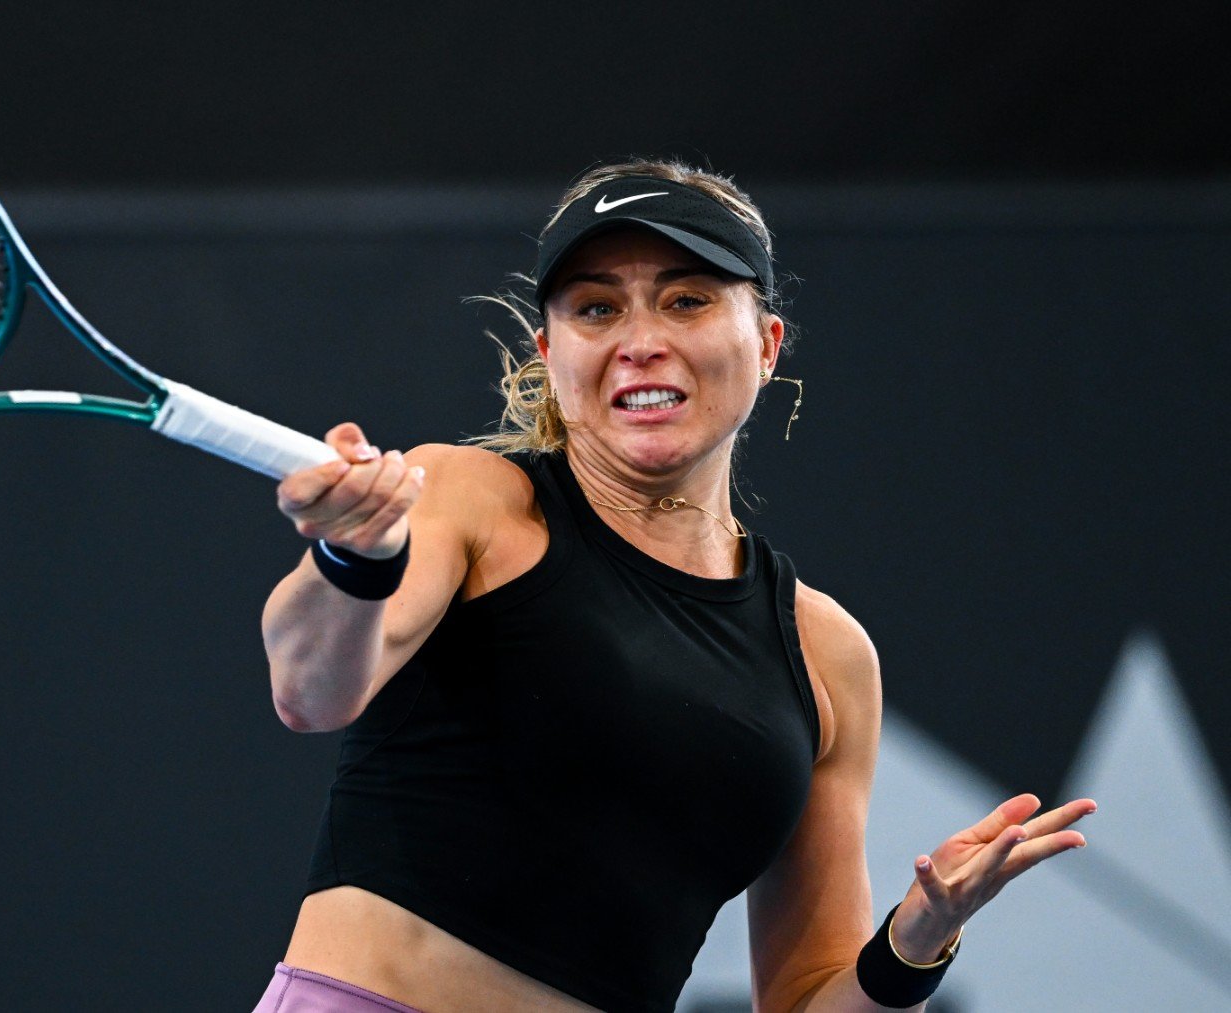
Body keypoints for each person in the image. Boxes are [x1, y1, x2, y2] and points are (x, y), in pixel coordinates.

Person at [252, 160, 1097, 1013]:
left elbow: (807, 999)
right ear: (551, 354)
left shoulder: (827, 653)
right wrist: (352, 561)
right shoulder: (469, 497)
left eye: (686, 299)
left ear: (766, 343)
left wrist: (915, 938)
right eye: (596, 308)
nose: (640, 338)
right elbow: (311, 691)